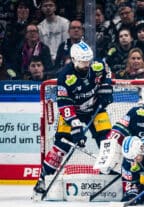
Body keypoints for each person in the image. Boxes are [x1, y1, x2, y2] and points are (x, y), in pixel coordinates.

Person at [33, 41, 114, 196]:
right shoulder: (65, 75)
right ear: (74, 59)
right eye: (83, 61)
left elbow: (107, 73)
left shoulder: (97, 65)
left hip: (95, 110)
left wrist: (106, 87)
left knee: (107, 141)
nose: (87, 64)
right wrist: (75, 124)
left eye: (88, 60)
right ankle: (43, 178)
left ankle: (107, 173)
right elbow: (64, 103)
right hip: (73, 112)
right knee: (62, 145)